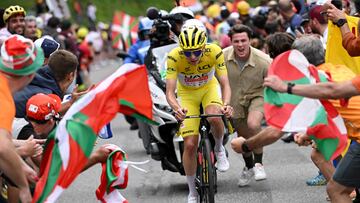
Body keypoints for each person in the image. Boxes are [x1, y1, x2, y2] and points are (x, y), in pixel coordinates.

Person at [262, 38, 360, 203]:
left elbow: (332, 92)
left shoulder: (317, 81)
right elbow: (329, 113)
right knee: (320, 154)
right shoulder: (339, 69)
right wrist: (308, 133)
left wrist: (246, 145)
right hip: (353, 136)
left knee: (336, 190)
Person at [166, 25, 233, 203]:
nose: (193, 57)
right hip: (187, 95)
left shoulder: (214, 51)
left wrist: (225, 104)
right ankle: (192, 192)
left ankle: (219, 147)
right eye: (188, 53)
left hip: (208, 89)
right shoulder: (174, 56)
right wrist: (176, 108)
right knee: (189, 145)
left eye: (196, 52)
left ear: (204, 46)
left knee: (214, 115)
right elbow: (170, 92)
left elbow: (225, 83)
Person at [223, 24, 272, 186]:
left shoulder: (264, 61)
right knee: (242, 136)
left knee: (253, 124)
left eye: (243, 40)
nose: (240, 45)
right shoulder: (222, 57)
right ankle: (249, 166)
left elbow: (274, 83)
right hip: (234, 99)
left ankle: (258, 164)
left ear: (250, 41)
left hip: (256, 96)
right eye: (236, 41)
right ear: (231, 42)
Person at [0, 35, 44, 203]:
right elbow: (3, 148)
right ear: (31, 73)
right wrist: (23, 186)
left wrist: (22, 167)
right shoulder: (3, 97)